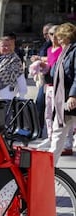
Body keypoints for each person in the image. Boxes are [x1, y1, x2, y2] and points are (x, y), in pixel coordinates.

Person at [48, 22, 76, 164]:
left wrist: (73, 95)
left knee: (59, 133)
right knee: (57, 134)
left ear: (65, 37)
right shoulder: (63, 53)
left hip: (70, 99)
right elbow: (54, 74)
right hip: (62, 102)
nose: (54, 38)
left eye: (57, 36)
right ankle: (49, 167)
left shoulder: (74, 51)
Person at [33, 25, 63, 149]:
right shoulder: (49, 49)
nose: (53, 37)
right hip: (48, 84)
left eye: (56, 34)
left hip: (60, 85)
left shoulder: (63, 49)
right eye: (50, 34)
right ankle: (50, 136)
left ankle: (61, 139)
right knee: (47, 111)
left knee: (60, 114)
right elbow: (49, 64)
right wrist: (41, 64)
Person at [31, 23, 53, 136]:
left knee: (44, 105)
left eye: (47, 34)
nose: (45, 36)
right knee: (40, 104)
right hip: (43, 78)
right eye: (44, 34)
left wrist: (39, 58)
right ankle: (39, 130)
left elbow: (52, 59)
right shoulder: (46, 44)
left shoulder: (54, 46)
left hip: (51, 80)